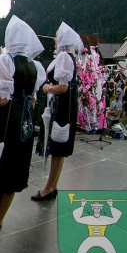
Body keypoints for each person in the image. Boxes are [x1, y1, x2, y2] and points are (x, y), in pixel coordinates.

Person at [0, 16, 46, 238]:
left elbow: (2, 99)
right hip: (24, 124)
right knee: (13, 174)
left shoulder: (6, 61)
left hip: (5, 123)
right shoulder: (35, 66)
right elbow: (32, 99)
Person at [33, 22, 82, 202]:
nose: (54, 39)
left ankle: (48, 188)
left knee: (57, 147)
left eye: (56, 36)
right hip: (66, 106)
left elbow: (62, 87)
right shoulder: (67, 57)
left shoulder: (63, 58)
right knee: (59, 150)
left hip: (61, 107)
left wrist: (47, 88)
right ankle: (52, 185)